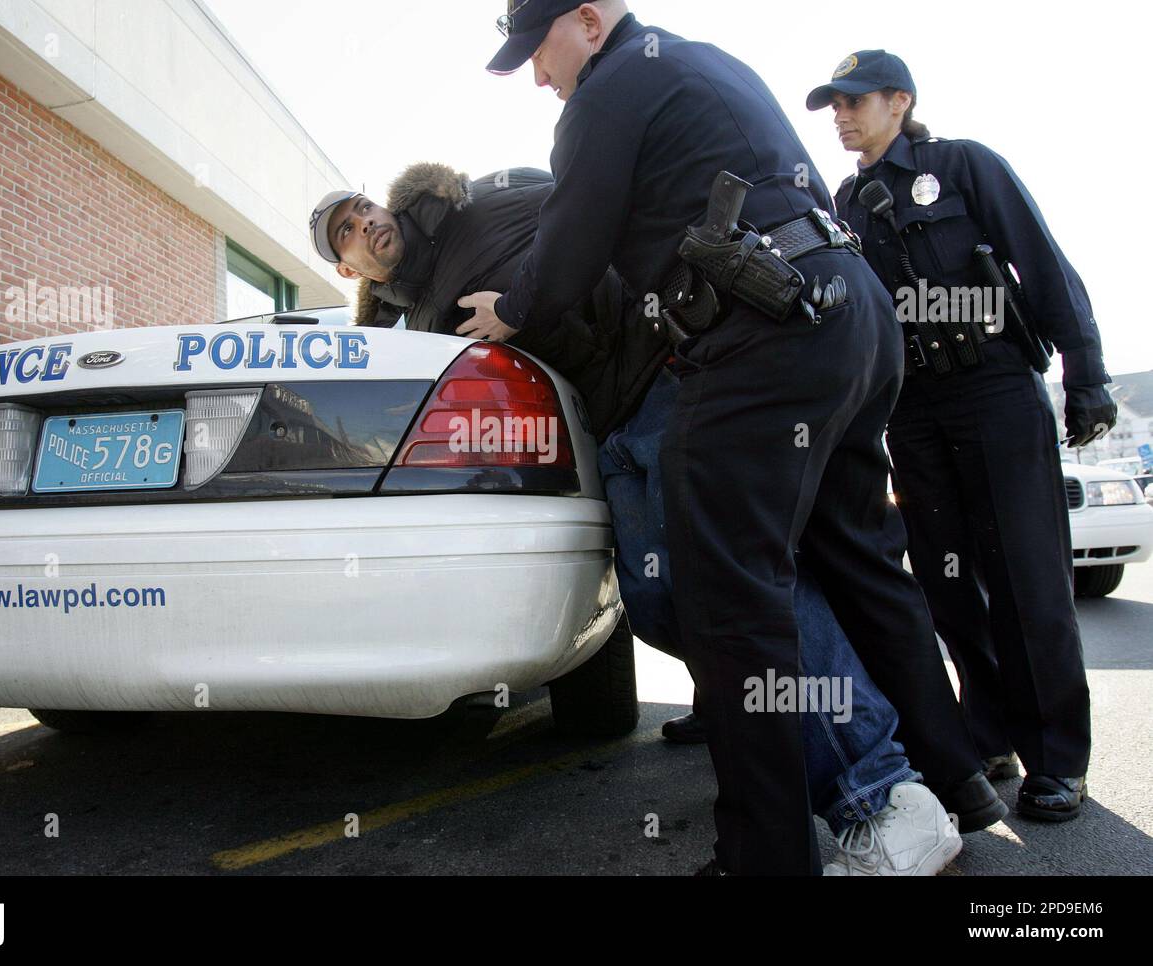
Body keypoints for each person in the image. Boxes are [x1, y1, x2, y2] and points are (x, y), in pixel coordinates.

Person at [312, 156, 976, 874]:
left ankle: (880, 793)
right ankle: (774, 747)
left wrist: (535, 304)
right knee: (660, 605)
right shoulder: (410, 327)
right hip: (609, 432)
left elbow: (600, 209)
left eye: (362, 207)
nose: (367, 224)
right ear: (348, 269)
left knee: (742, 596)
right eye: (346, 231)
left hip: (667, 386)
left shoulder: (481, 201)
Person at [466, 1, 1005, 875]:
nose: (539, 74)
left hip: (762, 336)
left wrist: (514, 308)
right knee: (862, 558)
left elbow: (567, 250)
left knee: (728, 599)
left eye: (541, 50)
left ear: (591, 21)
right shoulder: (709, 62)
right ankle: (958, 777)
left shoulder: (608, 91)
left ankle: (766, 856)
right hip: (847, 310)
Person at [808, 50, 1115, 821]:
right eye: (832, 105)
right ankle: (990, 732)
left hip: (996, 390)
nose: (840, 115)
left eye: (854, 101)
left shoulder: (963, 165)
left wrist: (1088, 375)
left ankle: (1056, 758)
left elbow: (1043, 263)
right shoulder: (842, 206)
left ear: (900, 101)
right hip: (911, 411)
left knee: (1025, 576)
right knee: (947, 585)